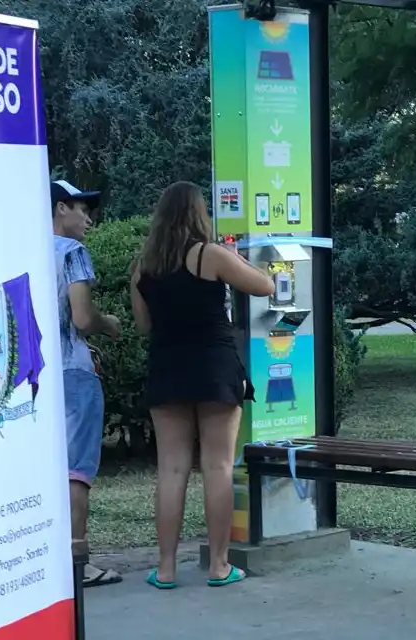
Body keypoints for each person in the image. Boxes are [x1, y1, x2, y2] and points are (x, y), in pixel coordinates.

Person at [130, 182, 275, 590]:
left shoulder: (143, 266)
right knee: (218, 467)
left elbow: (144, 326)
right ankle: (218, 565)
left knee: (171, 469)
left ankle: (165, 569)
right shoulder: (210, 255)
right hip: (214, 367)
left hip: (167, 367)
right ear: (198, 215)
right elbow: (264, 285)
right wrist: (235, 256)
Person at [51, 180, 124, 588]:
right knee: (75, 469)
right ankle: (78, 562)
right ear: (61, 208)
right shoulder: (73, 253)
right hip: (73, 372)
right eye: (82, 208)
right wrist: (106, 324)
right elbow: (81, 319)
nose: (88, 218)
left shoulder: (20, 249)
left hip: (34, 377)